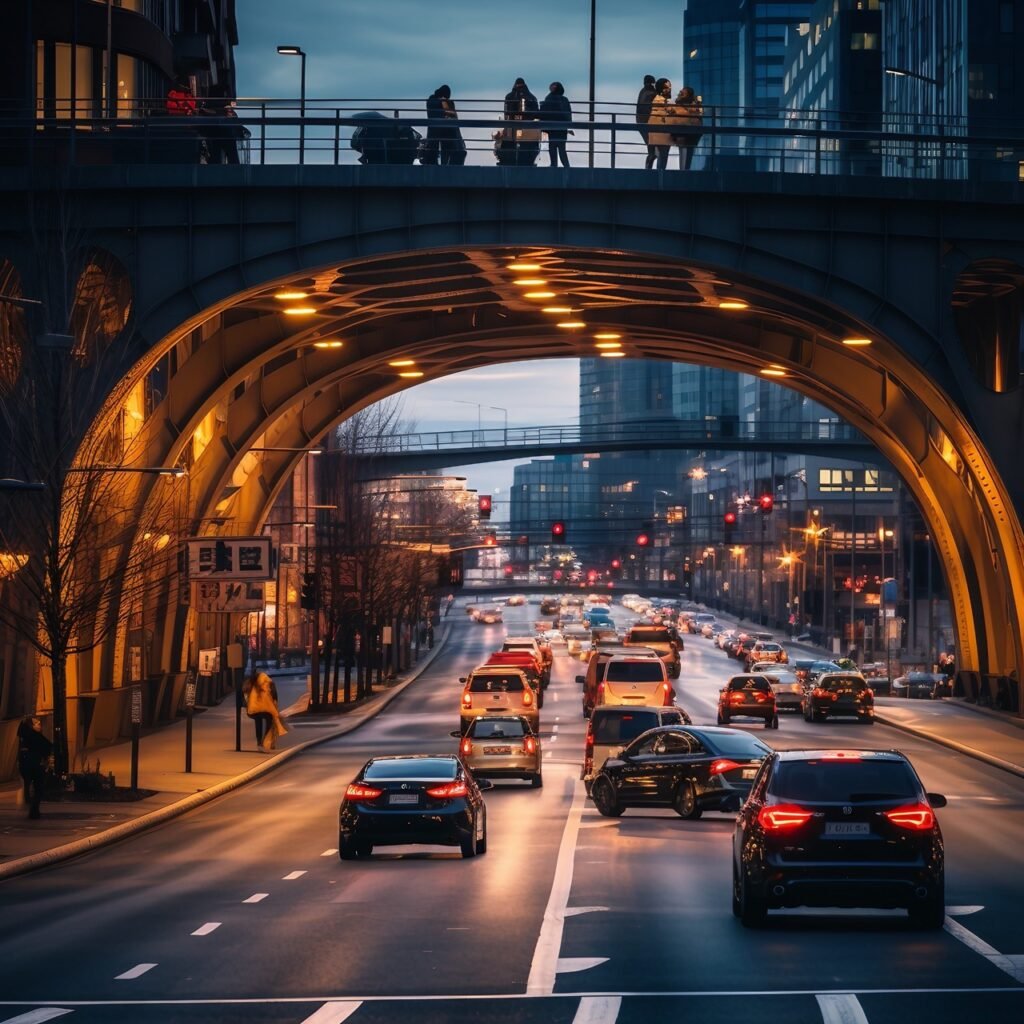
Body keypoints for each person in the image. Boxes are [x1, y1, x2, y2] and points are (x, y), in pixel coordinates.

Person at [17, 716, 52, 820]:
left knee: (33, 786)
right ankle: (33, 810)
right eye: (37, 724)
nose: (40, 725)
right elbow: (46, 747)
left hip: (27, 765)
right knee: (39, 788)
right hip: (35, 765)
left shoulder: (25, 737)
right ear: (31, 726)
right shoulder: (35, 737)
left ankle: (30, 803)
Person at [243, 670, 288, 751]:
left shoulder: (250, 684)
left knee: (258, 720)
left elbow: (245, 696)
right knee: (270, 719)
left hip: (252, 710)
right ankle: (267, 740)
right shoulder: (270, 683)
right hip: (266, 710)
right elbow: (275, 697)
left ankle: (259, 741)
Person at [424, 85, 466, 166]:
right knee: (445, 153)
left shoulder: (431, 101)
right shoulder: (442, 101)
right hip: (447, 132)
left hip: (435, 131)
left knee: (433, 152)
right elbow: (451, 114)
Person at [540, 82, 572, 168]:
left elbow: (544, 112)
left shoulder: (549, 98)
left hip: (552, 127)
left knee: (552, 147)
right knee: (562, 149)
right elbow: (568, 114)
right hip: (562, 128)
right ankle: (567, 167)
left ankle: (554, 165)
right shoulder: (565, 100)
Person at [646, 78, 675, 170]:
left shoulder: (657, 99)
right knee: (663, 155)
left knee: (657, 154)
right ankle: (659, 175)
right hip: (662, 131)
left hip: (655, 130)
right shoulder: (661, 100)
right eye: (667, 87)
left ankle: (651, 172)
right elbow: (671, 112)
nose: (669, 89)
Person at [672, 86, 703, 170]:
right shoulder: (693, 106)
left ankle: (684, 172)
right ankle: (684, 172)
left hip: (684, 131)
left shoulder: (678, 105)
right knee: (686, 153)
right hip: (688, 132)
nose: (680, 92)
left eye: (683, 92)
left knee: (685, 153)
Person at [635, 74, 657, 169]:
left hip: (641, 122)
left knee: (651, 148)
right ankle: (648, 168)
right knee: (653, 150)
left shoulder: (643, 91)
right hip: (648, 122)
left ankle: (648, 168)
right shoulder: (651, 93)